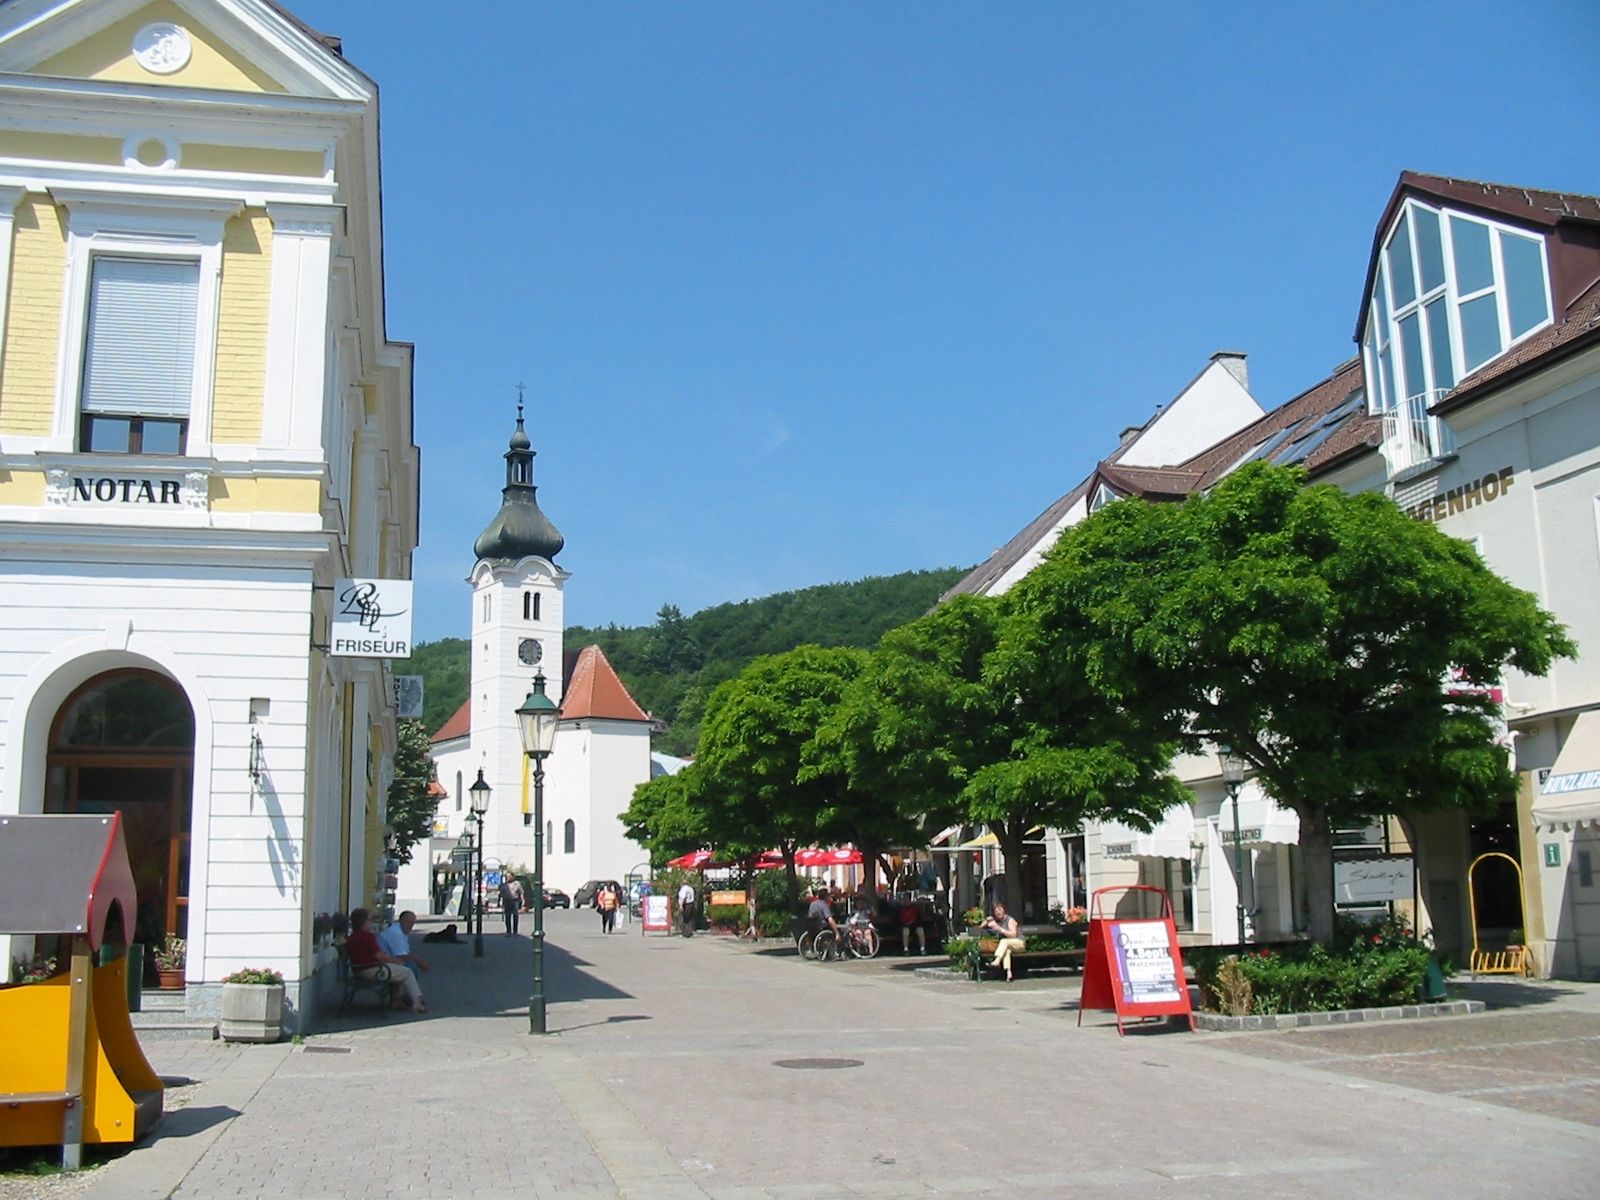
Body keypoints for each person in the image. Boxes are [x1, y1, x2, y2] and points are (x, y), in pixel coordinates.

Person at [346, 908, 427, 1012]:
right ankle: (416, 1003)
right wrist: (394, 960)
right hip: (371, 970)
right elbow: (380, 956)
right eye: (369, 921)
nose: (371, 923)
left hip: (359, 969)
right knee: (407, 971)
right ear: (363, 923)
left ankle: (396, 1001)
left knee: (399, 969)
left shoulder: (353, 937)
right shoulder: (367, 937)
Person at [980, 902, 1024, 982]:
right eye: (996, 911)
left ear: (1004, 911)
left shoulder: (1010, 920)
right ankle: (1009, 974)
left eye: (1000, 910)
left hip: (1019, 943)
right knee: (1006, 950)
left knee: (1004, 941)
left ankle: (997, 961)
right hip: (1008, 945)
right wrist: (987, 919)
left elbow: (1013, 935)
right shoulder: (996, 922)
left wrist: (1000, 929)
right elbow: (981, 927)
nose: (998, 912)